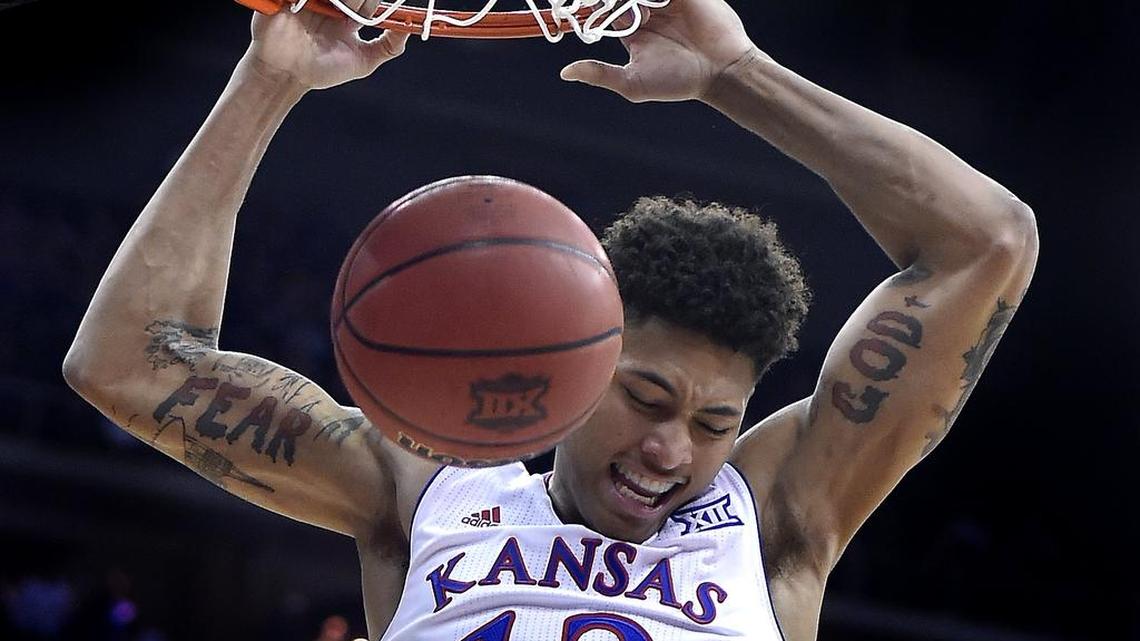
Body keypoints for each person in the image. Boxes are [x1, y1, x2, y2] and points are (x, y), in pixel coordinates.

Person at [62, 0, 1039, 639]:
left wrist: (734, 72)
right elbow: (131, 364)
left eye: (714, 423)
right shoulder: (424, 497)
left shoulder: (773, 516)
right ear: (576, 365)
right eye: (646, 396)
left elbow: (986, 241)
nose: (670, 448)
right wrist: (268, 78)